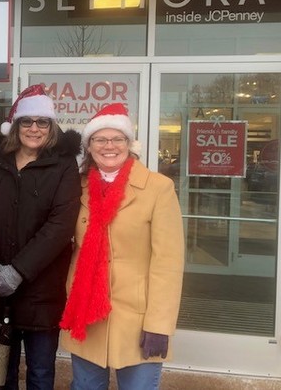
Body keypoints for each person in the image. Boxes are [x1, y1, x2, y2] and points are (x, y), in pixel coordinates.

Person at [59, 103, 185, 390]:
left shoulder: (158, 188)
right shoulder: (75, 187)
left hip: (137, 320)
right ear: (89, 146)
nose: (109, 146)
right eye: (100, 139)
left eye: (117, 139)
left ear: (130, 144)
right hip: (86, 316)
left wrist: (159, 325)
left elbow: (168, 263)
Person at [0, 85, 82, 390]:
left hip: (40, 292)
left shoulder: (63, 166)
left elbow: (60, 226)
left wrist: (18, 271)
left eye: (42, 122)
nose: (34, 128)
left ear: (52, 127)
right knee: (1, 371)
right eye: (27, 121)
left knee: (40, 374)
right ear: (15, 125)